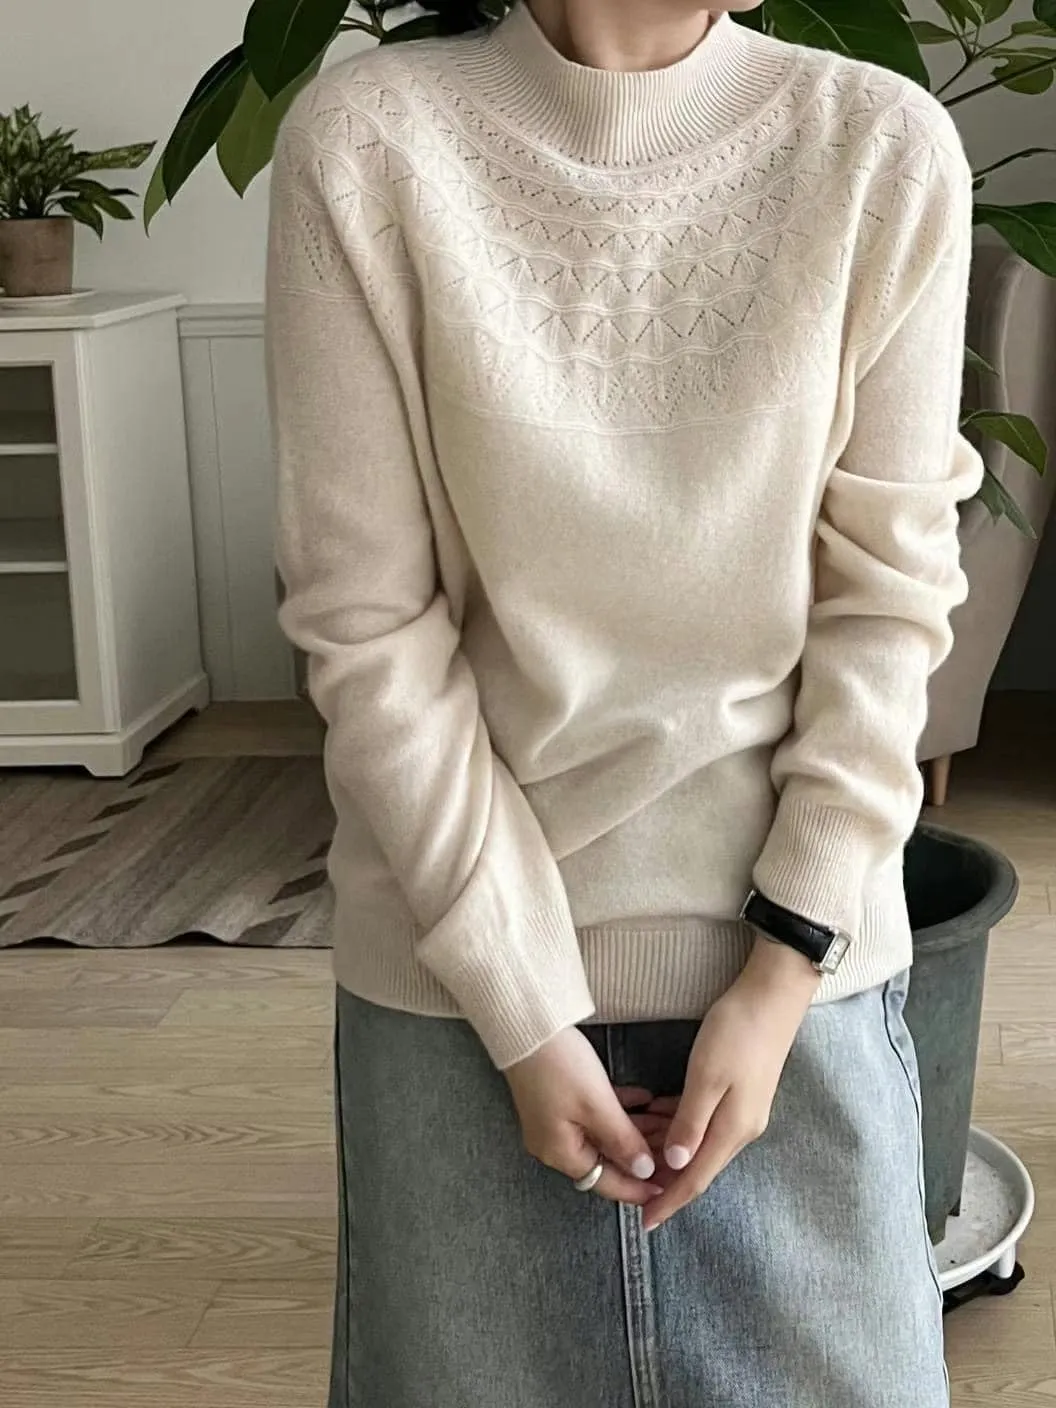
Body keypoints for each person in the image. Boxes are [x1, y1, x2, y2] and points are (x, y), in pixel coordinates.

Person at [265, 0, 981, 1402]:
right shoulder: (366, 141)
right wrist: (526, 1009)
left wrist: (783, 970)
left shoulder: (881, 144)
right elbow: (366, 625)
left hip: (799, 985)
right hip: (456, 990)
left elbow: (889, 603)